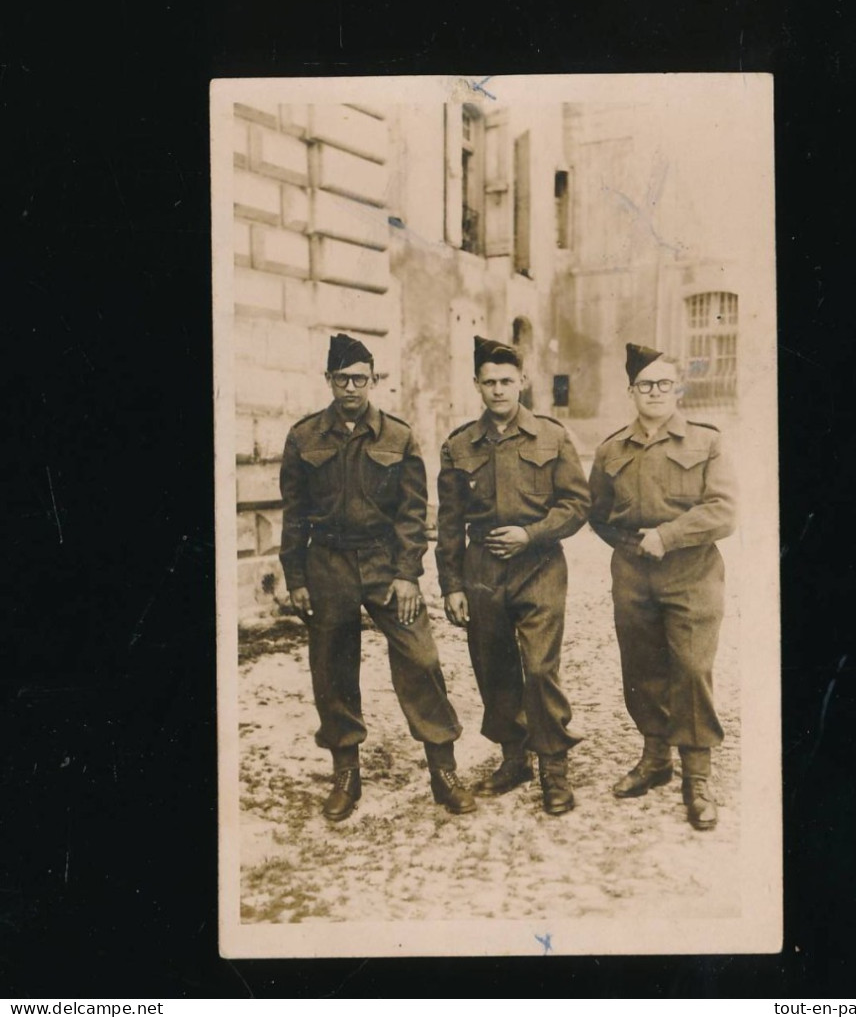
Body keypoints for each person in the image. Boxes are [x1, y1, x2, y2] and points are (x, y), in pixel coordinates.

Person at [278, 332, 475, 821]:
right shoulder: (304, 438)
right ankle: (346, 772)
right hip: (328, 565)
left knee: (421, 659)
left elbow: (413, 514)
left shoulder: (398, 436)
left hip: (386, 565)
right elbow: (294, 514)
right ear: (329, 380)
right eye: (342, 378)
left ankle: (443, 769)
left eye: (360, 379)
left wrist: (409, 576)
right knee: (332, 666)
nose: (351, 387)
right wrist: (296, 576)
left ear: (373, 381)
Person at [436, 336, 589, 815]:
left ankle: (554, 769)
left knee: (541, 668)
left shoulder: (553, 436)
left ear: (522, 381)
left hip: (539, 564)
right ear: (477, 386)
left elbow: (577, 504)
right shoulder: (460, 444)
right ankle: (513, 758)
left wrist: (532, 534)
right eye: (489, 382)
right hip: (482, 568)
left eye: (507, 380)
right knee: (494, 664)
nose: (499, 389)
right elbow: (447, 523)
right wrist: (452, 585)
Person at [588, 343, 738, 830]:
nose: (654, 392)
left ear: (679, 390)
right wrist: (632, 545)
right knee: (642, 665)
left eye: (663, 384)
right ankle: (655, 759)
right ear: (631, 391)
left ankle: (696, 777)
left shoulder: (707, 442)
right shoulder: (611, 449)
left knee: (692, 669)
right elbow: (598, 513)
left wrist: (667, 537)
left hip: (692, 573)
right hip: (633, 574)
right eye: (644, 385)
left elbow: (723, 511)